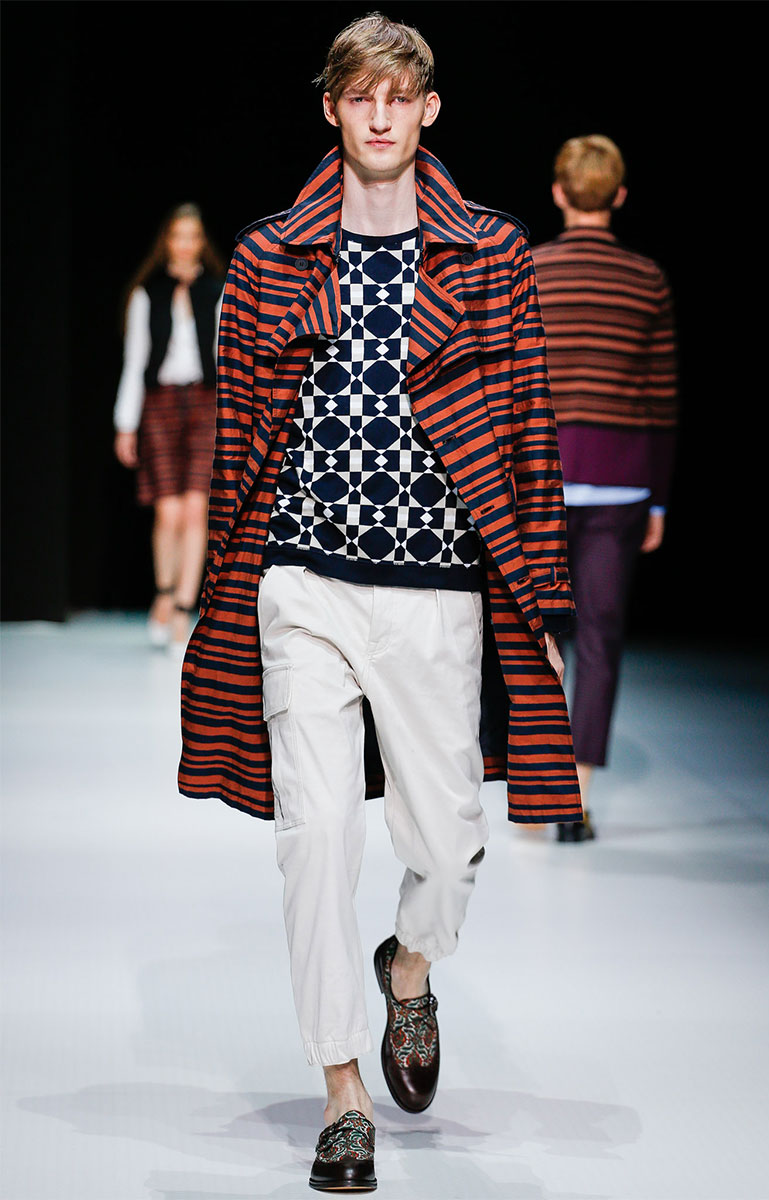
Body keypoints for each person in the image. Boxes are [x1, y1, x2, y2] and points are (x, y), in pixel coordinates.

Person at [178, 13, 582, 1191]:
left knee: (447, 845)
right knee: (314, 840)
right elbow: (239, 437)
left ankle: (407, 970)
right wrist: (224, 586)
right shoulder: (267, 258)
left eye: (399, 95)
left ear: (428, 109)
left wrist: (543, 597)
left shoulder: (490, 254)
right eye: (360, 95)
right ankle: (342, 1091)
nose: (379, 114)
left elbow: (528, 428)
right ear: (332, 108)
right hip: (301, 580)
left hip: (435, 590)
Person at [531, 135, 679, 843]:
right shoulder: (647, 278)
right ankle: (575, 796)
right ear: (619, 196)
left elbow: (504, 384)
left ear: (558, 193)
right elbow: (662, 397)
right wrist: (659, 497)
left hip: (537, 478)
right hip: (621, 481)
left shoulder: (530, 270)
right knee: (599, 636)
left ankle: (534, 783)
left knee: (530, 630)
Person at [113, 203, 225, 654]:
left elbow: (225, 358)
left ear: (201, 243)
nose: (184, 245)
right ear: (167, 242)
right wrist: (125, 425)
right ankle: (163, 593)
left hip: (205, 403)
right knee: (168, 513)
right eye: (178, 236)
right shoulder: (148, 293)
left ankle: (182, 608)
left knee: (197, 509)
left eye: (192, 236)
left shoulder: (217, 290)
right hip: (159, 404)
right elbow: (135, 360)